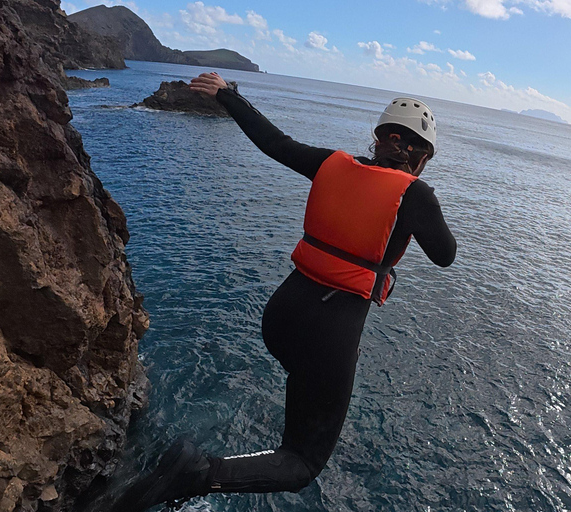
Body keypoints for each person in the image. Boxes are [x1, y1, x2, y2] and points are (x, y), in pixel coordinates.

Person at [112, 72, 456, 511]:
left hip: (280, 317)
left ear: (378, 139)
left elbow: (272, 141)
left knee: (307, 383)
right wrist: (421, 202)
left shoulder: (331, 163)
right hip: (330, 330)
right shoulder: (417, 195)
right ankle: (196, 473)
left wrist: (228, 96)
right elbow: (445, 254)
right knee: (302, 463)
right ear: (422, 154)